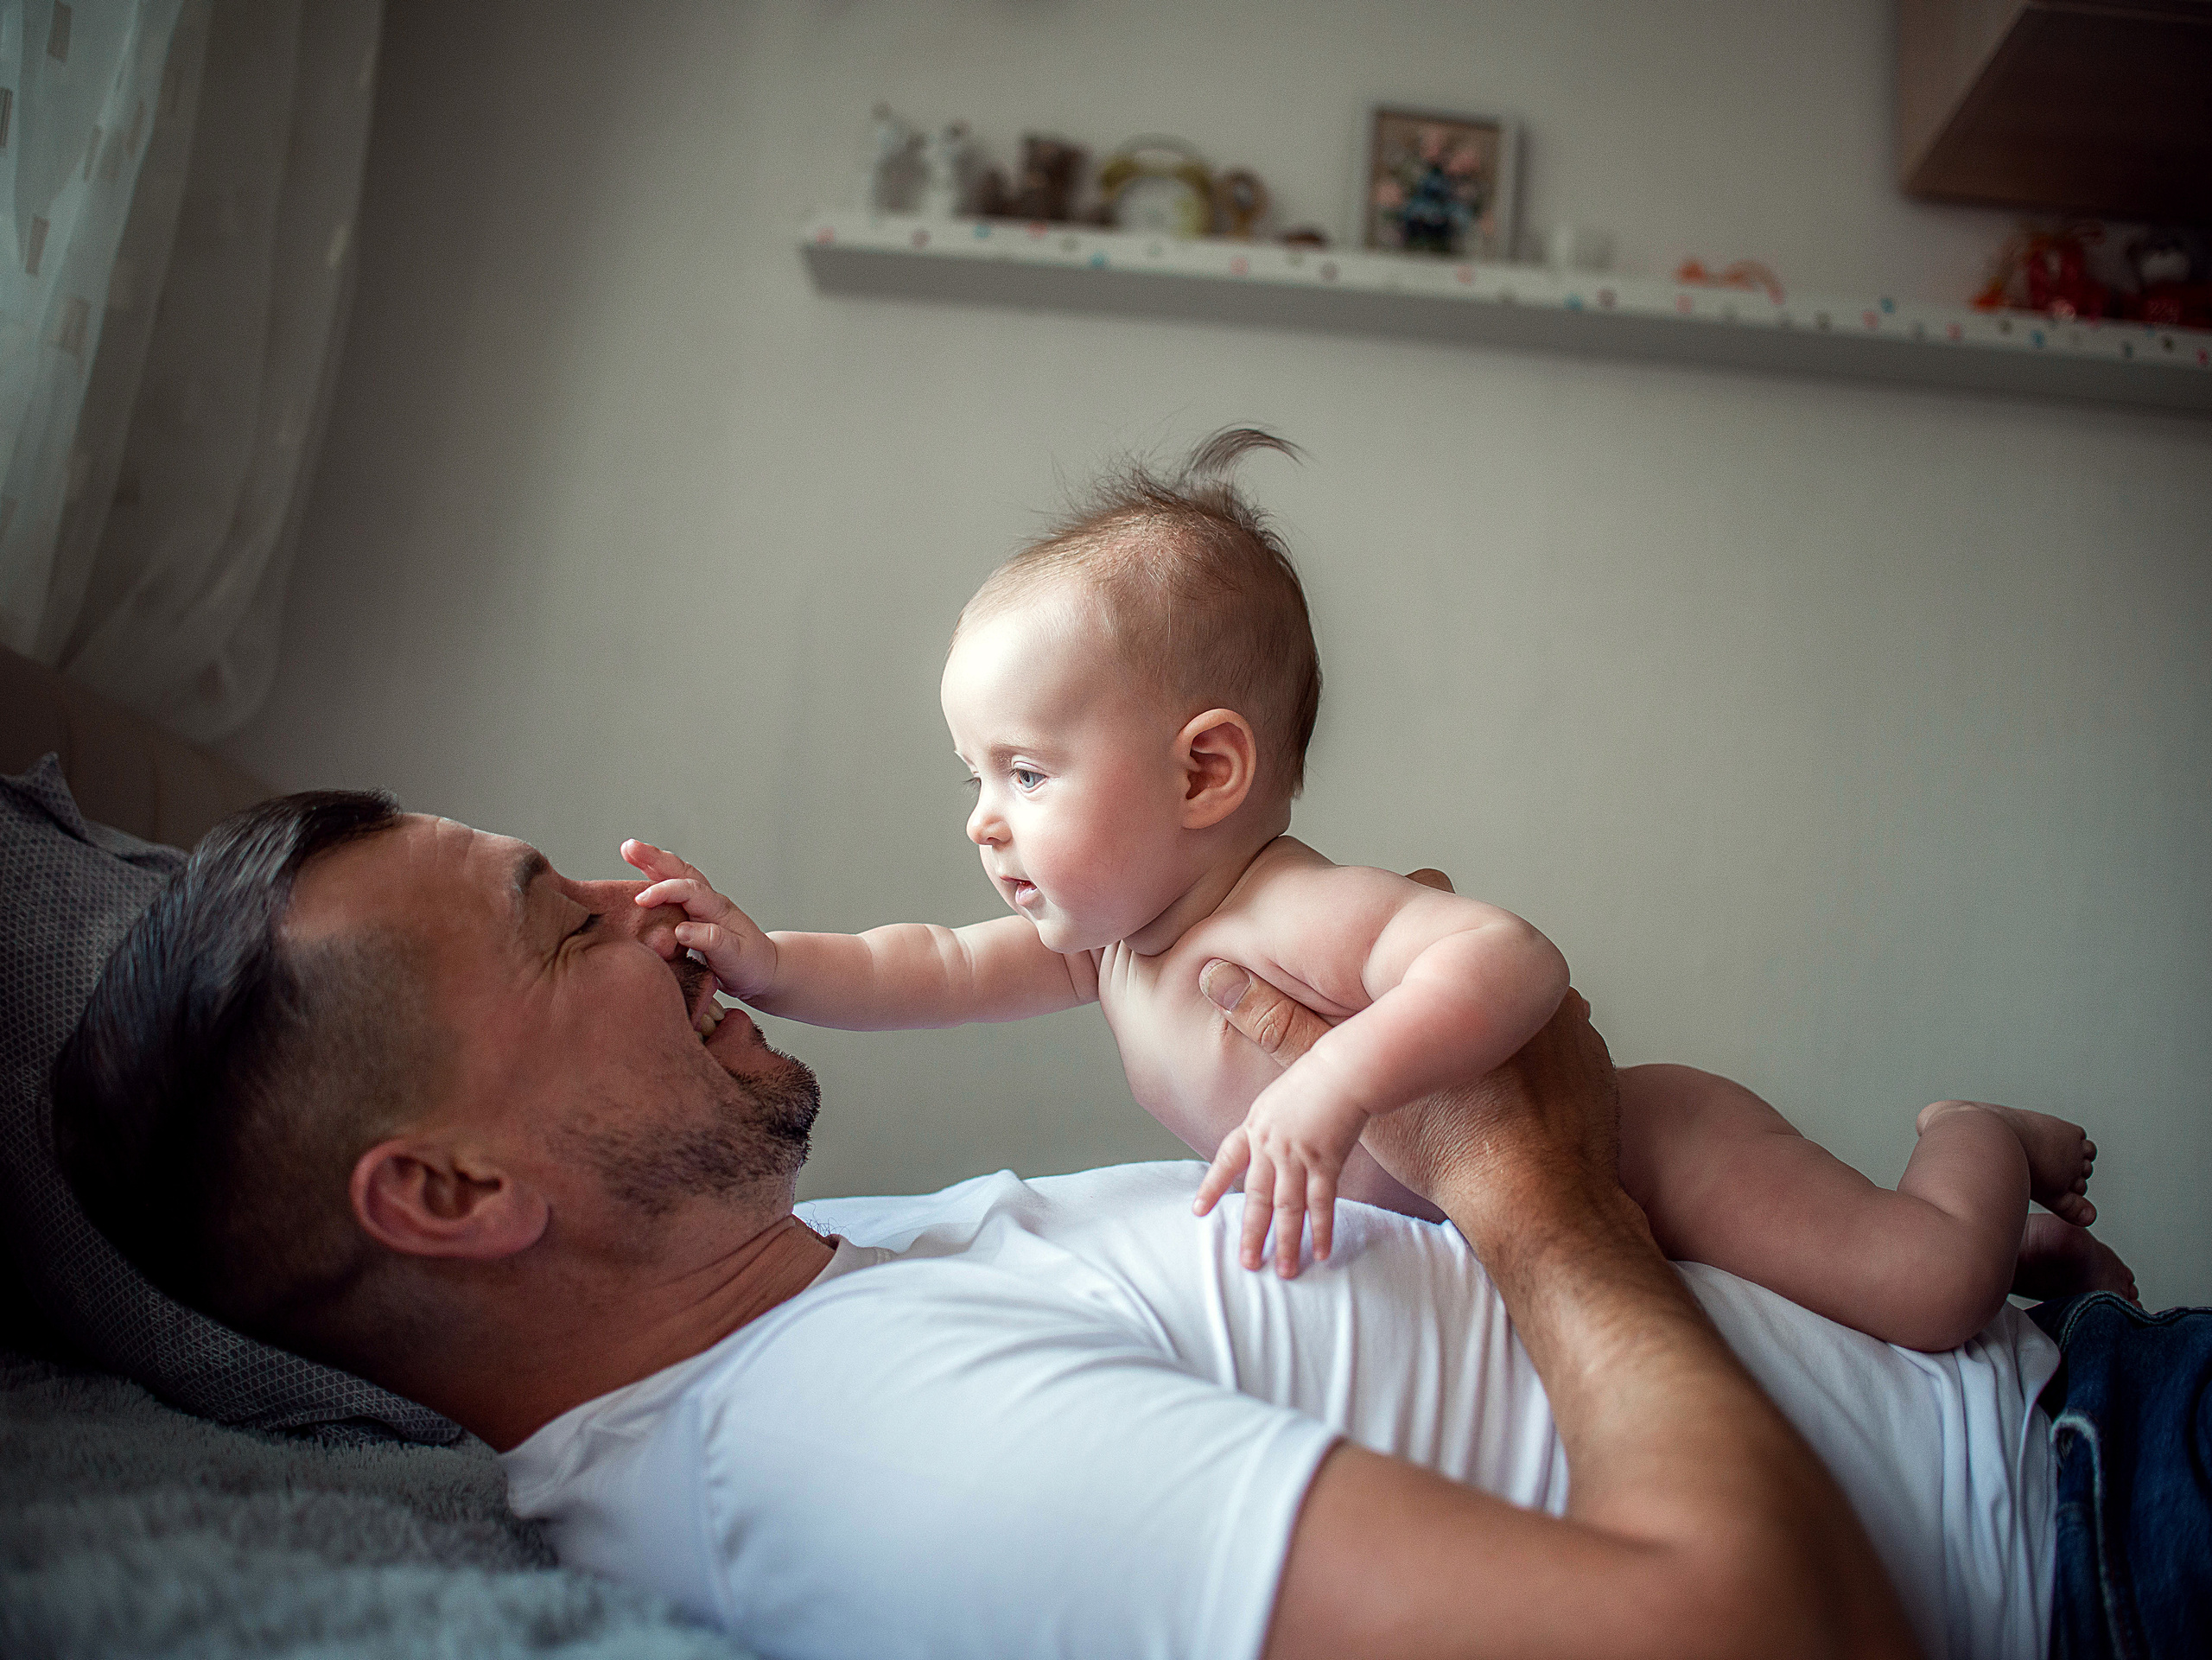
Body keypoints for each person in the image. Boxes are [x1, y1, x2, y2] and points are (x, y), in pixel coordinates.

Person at [48, 793, 2210, 1658]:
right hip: (2102, 1549)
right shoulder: (853, 1445)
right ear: (446, 1193)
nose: (643, 912)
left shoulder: (802, 1299)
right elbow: (1743, 1644)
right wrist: (1530, 1183)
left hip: (2065, 1405)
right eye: (563, 926)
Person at [619, 427, 2134, 1354]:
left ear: (1207, 771)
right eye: (972, 776)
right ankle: (2041, 1252)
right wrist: (761, 957)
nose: (979, 825)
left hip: (1645, 1145)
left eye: (1023, 772)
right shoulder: (1112, 945)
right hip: (1523, 1205)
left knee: (1923, 1291)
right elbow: (923, 968)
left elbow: (1510, 959)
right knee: (1909, 1300)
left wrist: (1332, 1079)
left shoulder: (1281, 910)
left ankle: (1976, 1138)